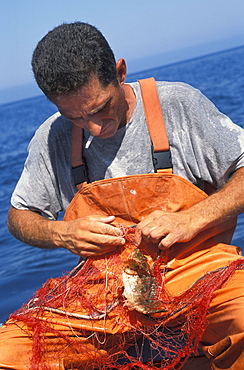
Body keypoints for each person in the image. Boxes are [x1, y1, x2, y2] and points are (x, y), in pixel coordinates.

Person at [0, 21, 244, 370]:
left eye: (100, 108)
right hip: (100, 292)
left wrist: (192, 218)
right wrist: (61, 233)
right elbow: (18, 217)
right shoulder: (52, 135)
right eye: (76, 117)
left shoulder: (177, 104)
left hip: (200, 272)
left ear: (120, 72)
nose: (94, 127)